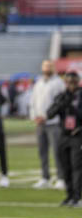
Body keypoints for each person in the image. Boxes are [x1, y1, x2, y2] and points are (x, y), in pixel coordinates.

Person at [46, 71, 82, 207]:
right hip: (64, 135)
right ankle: (69, 195)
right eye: (68, 82)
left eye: (73, 82)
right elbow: (49, 114)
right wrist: (61, 104)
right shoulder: (62, 96)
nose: (71, 85)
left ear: (77, 82)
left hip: (78, 135)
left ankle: (77, 197)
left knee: (77, 167)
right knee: (65, 167)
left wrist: (73, 107)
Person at [29, 60, 66, 189]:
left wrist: (47, 116)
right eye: (45, 66)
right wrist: (34, 116)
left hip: (53, 122)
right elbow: (33, 101)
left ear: (53, 67)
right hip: (39, 122)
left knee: (57, 151)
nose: (47, 68)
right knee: (42, 151)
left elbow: (60, 103)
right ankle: (45, 177)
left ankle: (61, 178)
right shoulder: (38, 82)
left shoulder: (59, 83)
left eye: (49, 66)